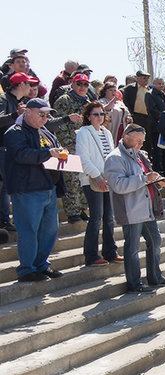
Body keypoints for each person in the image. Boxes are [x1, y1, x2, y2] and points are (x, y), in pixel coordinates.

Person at [104, 124, 165, 294]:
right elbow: (118, 185)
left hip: (146, 207)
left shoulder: (140, 155)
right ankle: (134, 283)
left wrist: (158, 181)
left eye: (142, 141)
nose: (141, 145)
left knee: (155, 240)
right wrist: (144, 178)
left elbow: (147, 178)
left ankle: (155, 276)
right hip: (130, 209)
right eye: (138, 141)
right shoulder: (115, 157)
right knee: (133, 247)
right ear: (126, 137)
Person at [5, 98, 66, 282]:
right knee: (29, 230)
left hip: (47, 187)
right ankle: (26, 269)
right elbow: (21, 154)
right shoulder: (14, 132)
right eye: (41, 114)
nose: (45, 118)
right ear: (27, 112)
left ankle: (41, 265)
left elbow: (52, 153)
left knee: (50, 230)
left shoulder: (45, 132)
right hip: (27, 189)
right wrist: (49, 153)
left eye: (48, 115)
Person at [75, 101, 121, 266]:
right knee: (96, 217)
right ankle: (91, 255)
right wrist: (97, 176)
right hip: (91, 179)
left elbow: (112, 156)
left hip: (108, 178)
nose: (99, 117)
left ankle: (110, 251)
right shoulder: (83, 132)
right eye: (95, 114)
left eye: (102, 114)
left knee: (109, 217)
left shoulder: (107, 133)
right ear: (88, 116)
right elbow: (83, 158)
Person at [0, 71, 39, 233]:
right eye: (28, 83)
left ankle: (9, 219)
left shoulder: (23, 102)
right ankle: (3, 220)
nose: (31, 87)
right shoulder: (2, 100)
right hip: (3, 148)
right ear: (21, 84)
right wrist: (16, 114)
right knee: (5, 185)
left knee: (12, 184)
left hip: (16, 148)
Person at [54, 73, 93, 222]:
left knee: (82, 179)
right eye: (79, 84)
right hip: (69, 146)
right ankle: (72, 212)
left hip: (84, 146)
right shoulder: (64, 100)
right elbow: (59, 124)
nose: (82, 87)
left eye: (85, 84)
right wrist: (68, 144)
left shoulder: (88, 102)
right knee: (70, 180)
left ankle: (82, 208)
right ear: (73, 84)